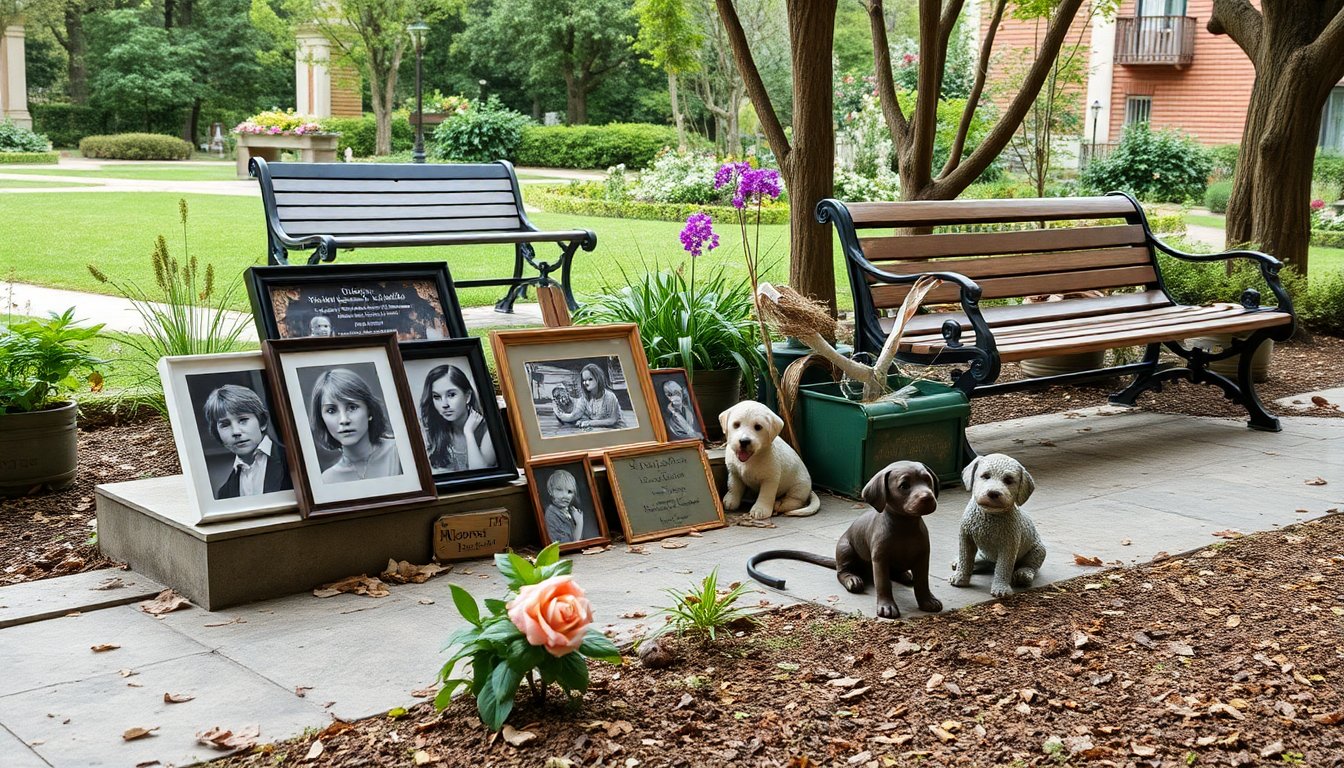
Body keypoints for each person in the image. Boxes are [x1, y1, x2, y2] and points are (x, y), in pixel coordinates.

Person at [308, 368, 402, 484]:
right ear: (321, 419)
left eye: (352, 407)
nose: (344, 420)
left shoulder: (399, 452)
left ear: (370, 411)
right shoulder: (327, 479)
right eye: (331, 410)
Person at [202, 384, 292, 499]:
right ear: (217, 433)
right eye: (225, 425)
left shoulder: (294, 461)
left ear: (262, 422)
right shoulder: (224, 493)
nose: (236, 431)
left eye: (243, 420)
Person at [419, 363, 496, 472]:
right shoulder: (430, 430)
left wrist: (469, 433)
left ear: (467, 396)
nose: (444, 404)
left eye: (451, 395)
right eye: (437, 397)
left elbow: (480, 473)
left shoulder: (488, 429)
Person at [555, 363, 624, 429]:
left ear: (598, 379)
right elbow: (574, 415)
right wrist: (558, 413)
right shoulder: (584, 398)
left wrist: (589, 423)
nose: (586, 383)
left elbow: (612, 420)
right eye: (584, 380)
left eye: (590, 379)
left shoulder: (610, 396)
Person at [542, 469, 587, 543]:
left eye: (569, 492)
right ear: (550, 491)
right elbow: (571, 543)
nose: (565, 496)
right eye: (559, 490)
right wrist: (579, 523)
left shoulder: (567, 511)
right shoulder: (552, 514)